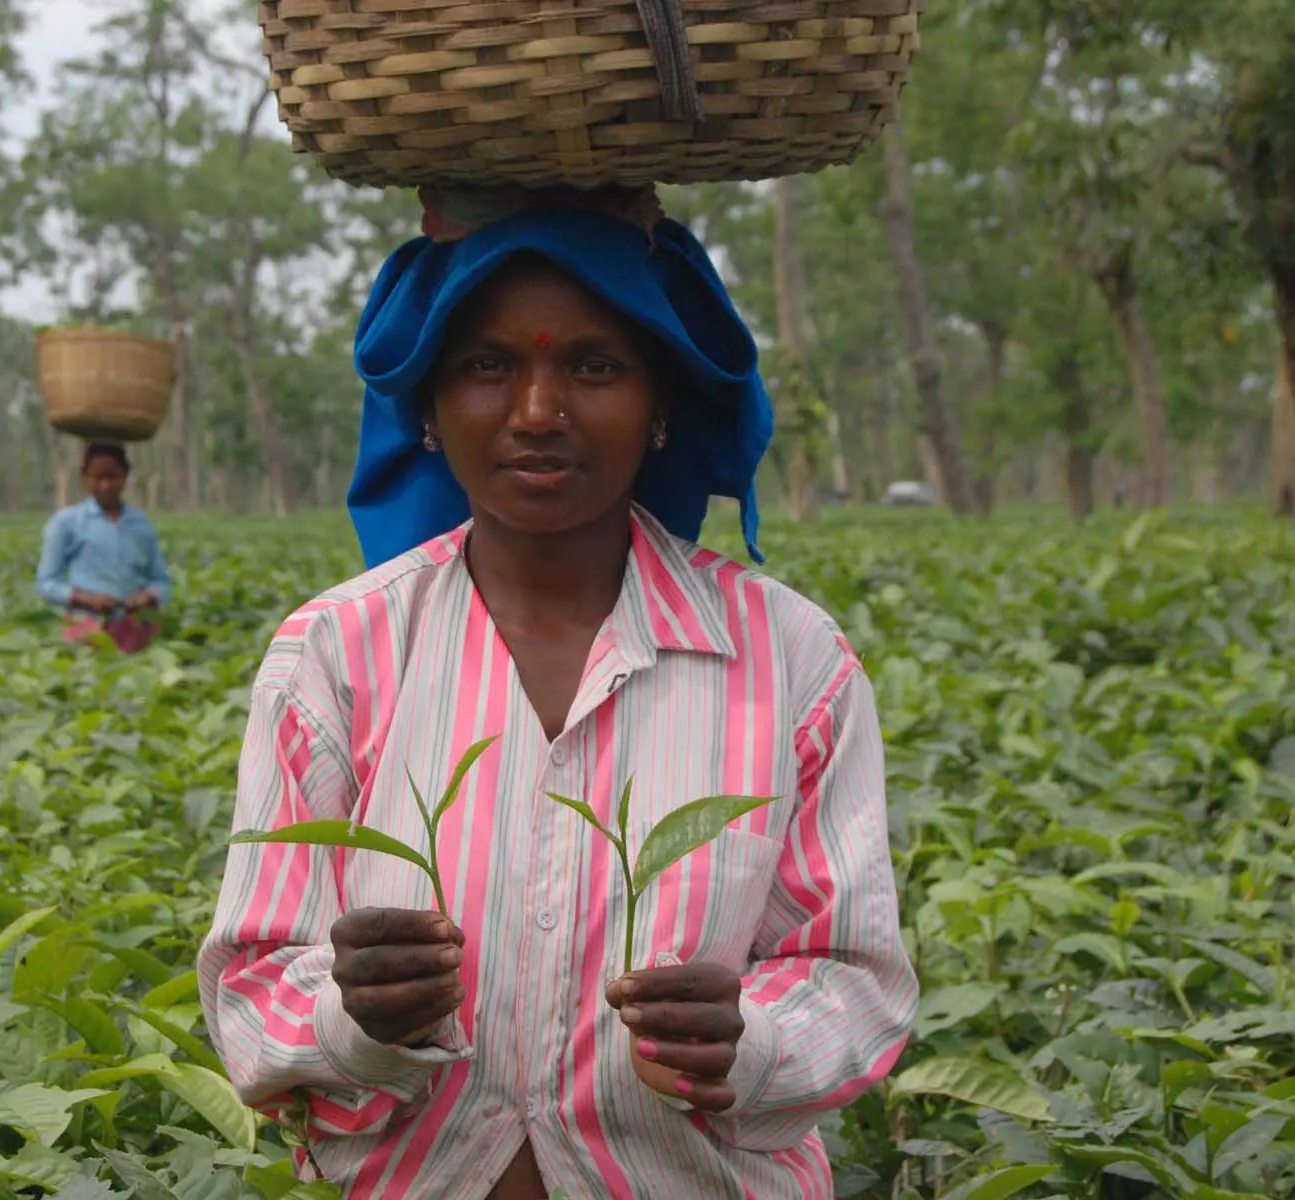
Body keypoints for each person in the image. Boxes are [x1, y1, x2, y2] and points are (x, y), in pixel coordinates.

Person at [198, 187, 917, 1198]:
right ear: (431, 412)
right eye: (489, 366)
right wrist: (347, 1018)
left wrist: (750, 1042)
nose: (539, 412)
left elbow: (854, 976)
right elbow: (251, 990)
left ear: (660, 403)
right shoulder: (337, 655)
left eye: (594, 366)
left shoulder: (791, 658)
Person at [35, 441, 171, 654]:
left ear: (126, 475)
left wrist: (148, 597)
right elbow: (46, 584)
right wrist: (86, 599)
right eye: (97, 477)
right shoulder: (65, 523)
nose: (105, 485)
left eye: (113, 477)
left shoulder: (142, 525)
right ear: (84, 477)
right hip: (84, 627)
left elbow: (161, 581)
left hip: (136, 626)